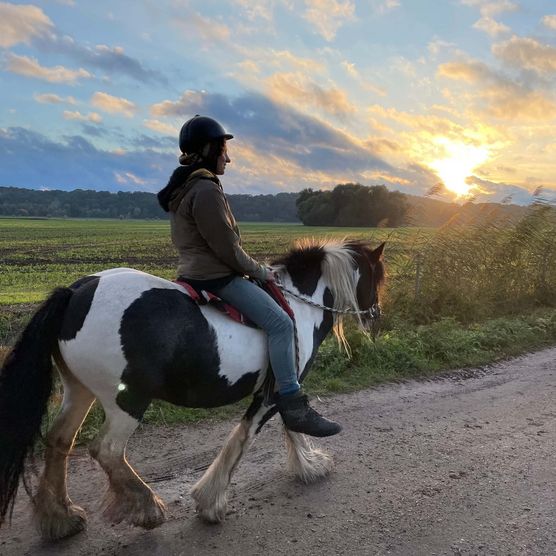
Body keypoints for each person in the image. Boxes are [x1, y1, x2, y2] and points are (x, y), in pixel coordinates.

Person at [157, 115, 341, 437]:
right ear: (207, 149)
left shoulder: (183, 189)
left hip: (191, 273)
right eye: (223, 149)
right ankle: (293, 403)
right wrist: (260, 271)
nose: (227, 157)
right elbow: (228, 250)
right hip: (217, 278)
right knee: (282, 323)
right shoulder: (205, 189)